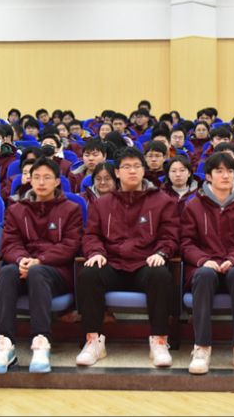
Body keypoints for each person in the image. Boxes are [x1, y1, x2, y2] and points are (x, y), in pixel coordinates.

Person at [76, 147, 179, 368]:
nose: (132, 171)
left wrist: (161, 253)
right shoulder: (102, 203)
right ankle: (94, 341)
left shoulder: (162, 201)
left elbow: (170, 236)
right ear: (117, 172)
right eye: (126, 167)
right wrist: (96, 252)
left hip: (145, 262)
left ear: (144, 170)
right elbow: (91, 235)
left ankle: (159, 341)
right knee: (89, 273)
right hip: (112, 263)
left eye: (136, 166)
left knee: (160, 274)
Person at [0, 158, 83, 374]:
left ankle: (41, 341)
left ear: (57, 181)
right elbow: (10, 243)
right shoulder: (16, 209)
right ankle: (5, 343)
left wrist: (41, 260)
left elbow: (70, 245)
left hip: (56, 271)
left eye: (47, 177)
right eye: (36, 177)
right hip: (24, 267)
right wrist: (21, 259)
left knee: (38, 272)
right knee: (6, 272)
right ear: (29, 180)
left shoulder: (71, 209)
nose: (41, 182)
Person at [180, 152, 234, 376]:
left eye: (229, 171)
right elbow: (186, 242)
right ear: (208, 176)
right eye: (219, 171)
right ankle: (201, 347)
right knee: (204, 275)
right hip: (205, 266)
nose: (226, 175)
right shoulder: (194, 205)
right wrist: (203, 260)